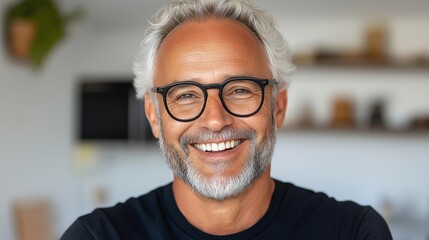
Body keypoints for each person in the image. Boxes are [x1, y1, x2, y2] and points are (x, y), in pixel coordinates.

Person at [62, 0, 393, 239]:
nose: (215, 120)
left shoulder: (354, 231)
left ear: (278, 106)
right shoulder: (95, 236)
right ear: (154, 114)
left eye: (239, 90)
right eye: (186, 95)